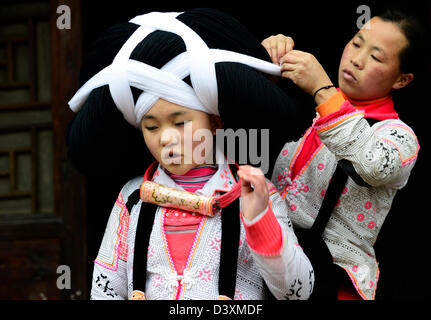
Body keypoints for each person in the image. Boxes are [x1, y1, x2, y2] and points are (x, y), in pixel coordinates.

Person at [67, 8, 313, 300]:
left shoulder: (254, 192)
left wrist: (260, 220)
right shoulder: (132, 198)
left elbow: (298, 293)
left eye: (180, 122)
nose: (166, 138)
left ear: (214, 122)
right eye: (152, 126)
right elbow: (104, 289)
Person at [262, 9, 422, 300]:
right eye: (357, 43)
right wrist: (263, 66)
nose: (357, 59)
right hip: (265, 266)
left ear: (402, 80)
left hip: (332, 283)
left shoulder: (400, 136)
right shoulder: (309, 102)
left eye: (376, 57)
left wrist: (322, 90)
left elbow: (371, 165)